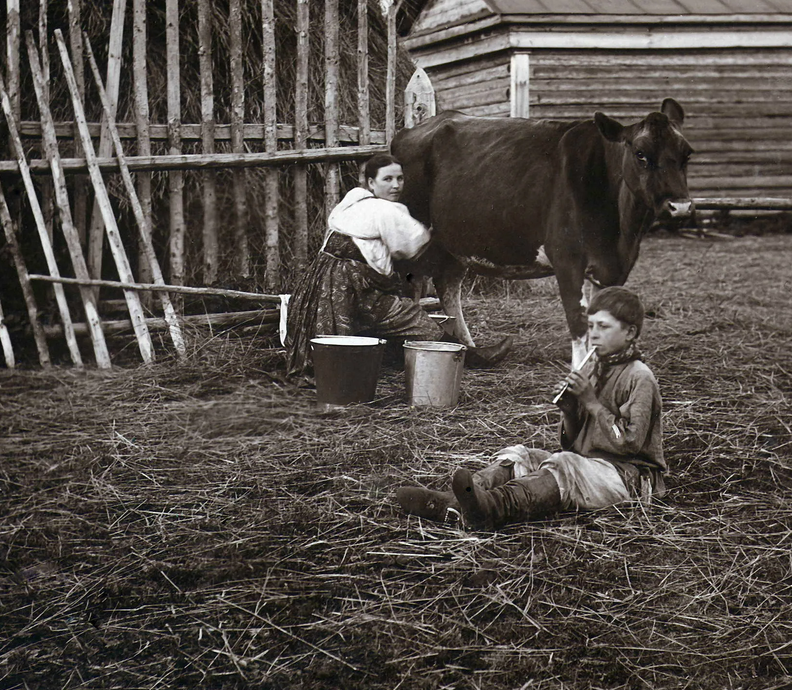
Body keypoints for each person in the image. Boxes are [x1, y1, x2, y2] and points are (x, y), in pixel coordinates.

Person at [395, 285, 666, 530]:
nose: (594, 334)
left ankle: (492, 509)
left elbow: (629, 443)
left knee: (564, 464)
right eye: (591, 326)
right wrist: (570, 411)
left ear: (630, 332)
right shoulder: (595, 369)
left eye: (604, 327)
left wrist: (591, 402)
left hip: (628, 479)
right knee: (523, 456)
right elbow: (574, 445)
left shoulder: (639, 377)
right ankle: (458, 503)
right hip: (592, 467)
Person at [284, 152, 511, 376]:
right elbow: (410, 246)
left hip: (323, 280)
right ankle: (472, 357)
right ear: (371, 182)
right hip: (354, 287)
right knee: (414, 318)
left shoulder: (353, 201)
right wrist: (435, 231)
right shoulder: (385, 210)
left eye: (400, 179)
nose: (396, 186)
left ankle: (365, 362)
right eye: (388, 179)